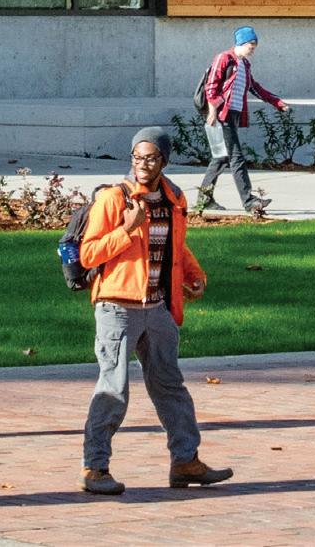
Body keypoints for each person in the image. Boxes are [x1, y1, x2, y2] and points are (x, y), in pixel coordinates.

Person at [76, 128, 233, 495]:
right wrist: (127, 229)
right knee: (113, 389)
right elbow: (89, 254)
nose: (142, 165)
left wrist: (193, 275)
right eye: (137, 157)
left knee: (170, 386)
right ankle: (95, 468)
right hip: (117, 307)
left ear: (164, 160)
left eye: (150, 158)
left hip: (157, 306)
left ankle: (185, 460)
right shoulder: (114, 199)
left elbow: (176, 245)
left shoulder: (173, 199)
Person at [197, 25, 289, 216]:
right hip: (222, 114)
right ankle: (250, 202)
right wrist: (212, 111)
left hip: (234, 114)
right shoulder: (224, 58)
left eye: (255, 45)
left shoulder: (244, 65)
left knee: (221, 158)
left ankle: (203, 200)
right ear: (241, 42)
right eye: (251, 44)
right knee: (236, 157)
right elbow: (211, 85)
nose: (253, 48)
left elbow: (254, 87)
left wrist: (276, 102)